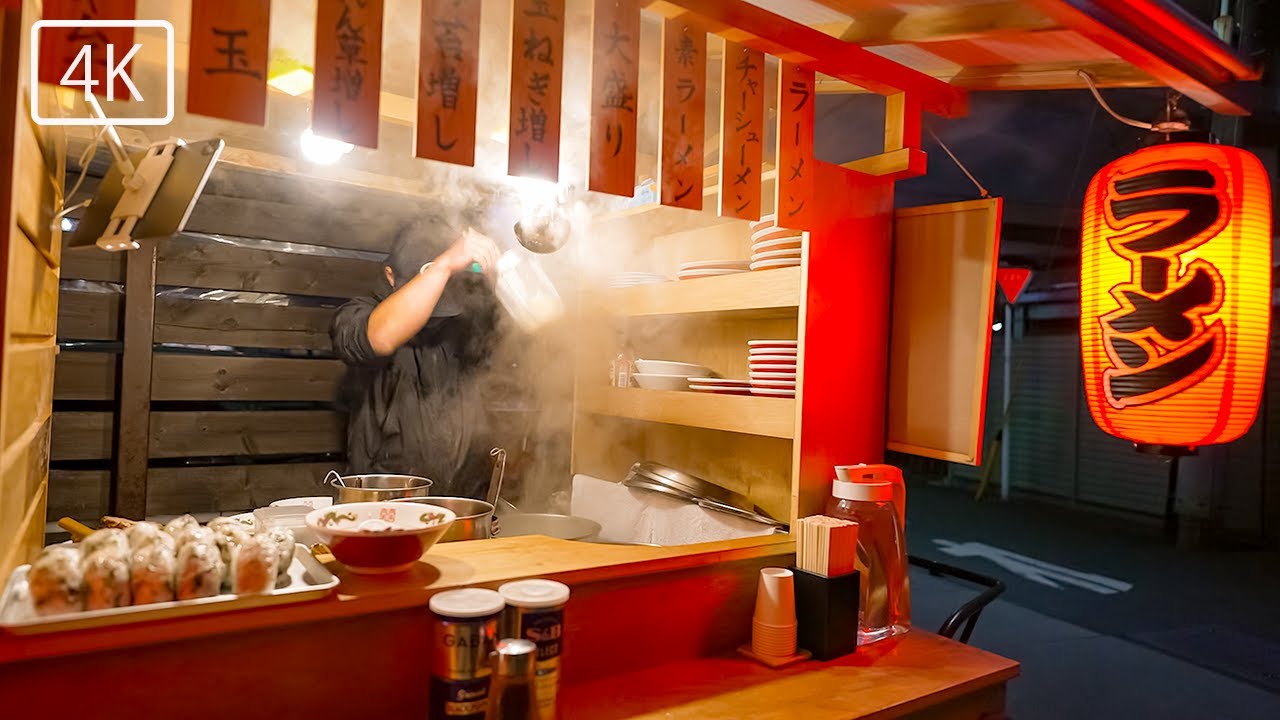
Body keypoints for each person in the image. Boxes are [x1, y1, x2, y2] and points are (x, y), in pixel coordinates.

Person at [330, 219, 503, 499]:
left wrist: (492, 280)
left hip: (462, 501)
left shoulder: (466, 322)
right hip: (384, 502)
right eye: (424, 272)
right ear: (390, 275)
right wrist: (442, 265)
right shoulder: (358, 314)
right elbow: (380, 337)